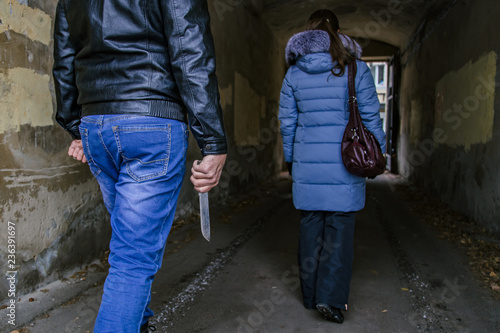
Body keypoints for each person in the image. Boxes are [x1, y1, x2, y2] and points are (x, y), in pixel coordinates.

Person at [53, 0, 227, 332]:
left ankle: (140, 321)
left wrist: (76, 127)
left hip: (97, 127)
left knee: (127, 241)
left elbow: (63, 60)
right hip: (152, 124)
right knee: (132, 259)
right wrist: (213, 141)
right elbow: (190, 50)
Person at [279, 9, 386, 324]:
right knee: (339, 229)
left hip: (308, 163)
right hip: (345, 163)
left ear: (307, 33)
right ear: (337, 33)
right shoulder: (355, 69)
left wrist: (290, 157)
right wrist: (377, 152)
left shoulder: (294, 74)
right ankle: (332, 299)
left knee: (311, 227)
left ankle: (311, 295)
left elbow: (287, 123)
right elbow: (370, 116)